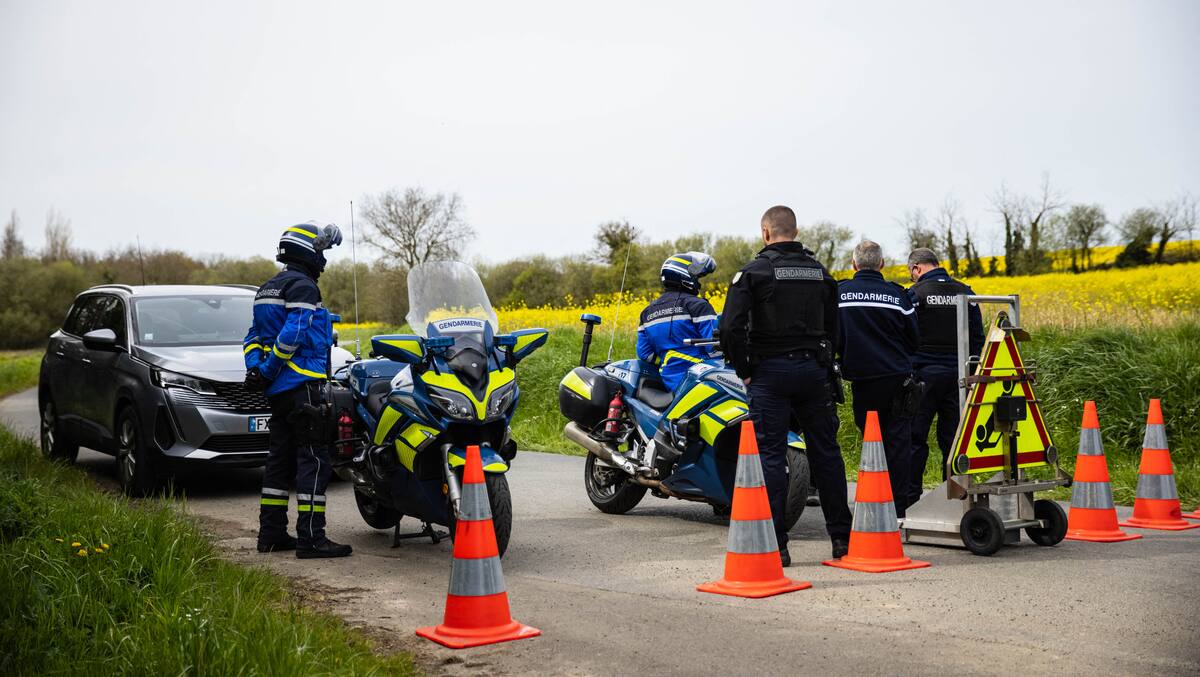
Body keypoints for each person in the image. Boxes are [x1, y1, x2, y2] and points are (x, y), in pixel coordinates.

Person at [721, 205, 853, 566]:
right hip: (813, 372)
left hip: (769, 374)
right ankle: (841, 539)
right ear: (794, 231)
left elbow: (730, 327)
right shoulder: (820, 273)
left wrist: (744, 369)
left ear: (766, 232)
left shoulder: (754, 272)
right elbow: (836, 328)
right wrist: (825, 363)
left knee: (771, 455)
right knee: (826, 453)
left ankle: (777, 545)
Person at [243, 221, 353, 559]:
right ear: (307, 251)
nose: (323, 259)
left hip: (277, 392)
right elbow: (293, 334)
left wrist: (257, 370)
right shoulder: (303, 287)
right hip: (302, 386)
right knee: (314, 461)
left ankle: (272, 534)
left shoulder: (267, 289)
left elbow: (252, 337)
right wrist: (269, 369)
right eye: (321, 251)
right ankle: (312, 539)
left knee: (279, 461)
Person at [836, 240, 919, 517]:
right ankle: (898, 509)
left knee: (870, 440)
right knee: (898, 444)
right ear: (882, 264)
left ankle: (872, 503)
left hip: (862, 381)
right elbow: (914, 339)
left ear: (854, 264)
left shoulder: (840, 294)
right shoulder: (897, 295)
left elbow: (833, 336)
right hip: (897, 380)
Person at [905, 247, 984, 508]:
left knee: (915, 438)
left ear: (917, 268)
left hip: (923, 376)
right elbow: (978, 337)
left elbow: (905, 335)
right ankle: (954, 498)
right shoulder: (966, 292)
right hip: (958, 377)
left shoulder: (915, 294)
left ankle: (910, 500)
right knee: (953, 440)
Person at [636, 252, 719, 391]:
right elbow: (715, 347)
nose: (698, 283)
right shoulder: (698, 306)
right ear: (684, 275)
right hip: (701, 382)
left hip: (668, 384)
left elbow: (646, 355)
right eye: (696, 277)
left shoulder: (646, 313)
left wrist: (670, 356)